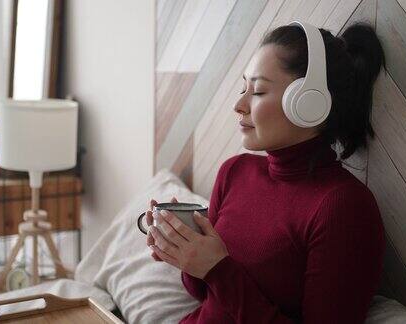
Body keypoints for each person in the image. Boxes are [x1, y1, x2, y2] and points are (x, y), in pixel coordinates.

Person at [145, 21, 386, 323]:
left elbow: (221, 281)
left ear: (307, 103)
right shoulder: (235, 172)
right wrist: (184, 251)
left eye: (257, 91)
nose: (239, 104)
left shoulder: (343, 206)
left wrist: (218, 269)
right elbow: (205, 294)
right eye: (243, 87)